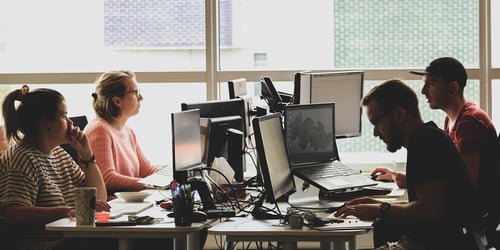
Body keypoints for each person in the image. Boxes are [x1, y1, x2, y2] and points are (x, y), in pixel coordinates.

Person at [335, 79, 486, 249]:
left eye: (377, 123)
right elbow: (429, 205)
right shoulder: (428, 138)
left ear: (399, 114)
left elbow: (429, 211)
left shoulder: (426, 143)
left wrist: (380, 209)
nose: (376, 133)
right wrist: (376, 205)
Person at [373, 57, 500, 247]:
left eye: (431, 84)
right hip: (460, 219)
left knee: (386, 221)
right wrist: (403, 178)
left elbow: (466, 184)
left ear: (453, 88)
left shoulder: (469, 123)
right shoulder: (452, 121)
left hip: (470, 227)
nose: (424, 91)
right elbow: (449, 177)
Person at [0, 86, 113, 249]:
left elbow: (98, 198)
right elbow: (15, 212)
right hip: (46, 244)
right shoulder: (22, 157)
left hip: (71, 238)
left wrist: (86, 155)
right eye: (64, 115)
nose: (70, 122)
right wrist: (68, 211)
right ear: (47, 124)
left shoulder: (59, 153)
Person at [84, 70, 159, 194]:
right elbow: (106, 178)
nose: (141, 97)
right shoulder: (99, 129)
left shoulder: (127, 130)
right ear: (117, 101)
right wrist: (150, 184)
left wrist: (173, 179)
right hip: (112, 207)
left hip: (129, 203)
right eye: (135, 92)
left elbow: (147, 171)